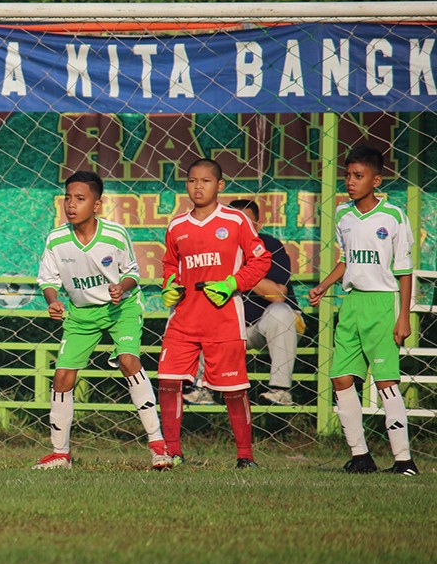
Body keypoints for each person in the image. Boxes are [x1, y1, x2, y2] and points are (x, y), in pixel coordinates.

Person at [34, 171, 172, 471]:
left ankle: (158, 447)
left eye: (80, 199)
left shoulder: (115, 234)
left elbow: (133, 274)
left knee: (128, 361)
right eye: (68, 198)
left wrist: (120, 288)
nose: (72, 205)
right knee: (62, 376)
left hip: (119, 310)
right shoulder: (57, 239)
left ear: (97, 204)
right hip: (82, 315)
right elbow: (48, 279)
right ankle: (60, 454)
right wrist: (53, 300)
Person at [309, 145, 418, 475]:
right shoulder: (344, 216)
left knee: (385, 381)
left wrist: (403, 317)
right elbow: (347, 261)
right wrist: (324, 285)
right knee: (341, 378)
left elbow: (403, 271)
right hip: (352, 304)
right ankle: (361, 455)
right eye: (347, 176)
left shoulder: (393, 217)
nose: (351, 182)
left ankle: (404, 460)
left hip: (382, 305)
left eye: (359, 176)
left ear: (376, 180)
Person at [158, 158, 271, 469]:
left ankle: (245, 457)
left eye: (205, 181)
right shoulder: (177, 225)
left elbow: (260, 261)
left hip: (223, 320)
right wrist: (169, 284)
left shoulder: (235, 221)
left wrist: (232, 283)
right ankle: (172, 453)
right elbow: (170, 264)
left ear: (219, 186)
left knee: (234, 391)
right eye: (192, 180)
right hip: (182, 319)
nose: (198, 186)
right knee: (168, 382)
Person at [182, 199, 305, 406]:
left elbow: (277, 295)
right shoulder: (212, 248)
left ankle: (280, 390)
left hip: (265, 328)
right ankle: (201, 388)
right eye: (234, 222)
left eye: (246, 222)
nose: (240, 228)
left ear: (257, 225)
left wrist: (240, 273)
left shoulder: (269, 246)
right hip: (228, 329)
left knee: (281, 312)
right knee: (199, 314)